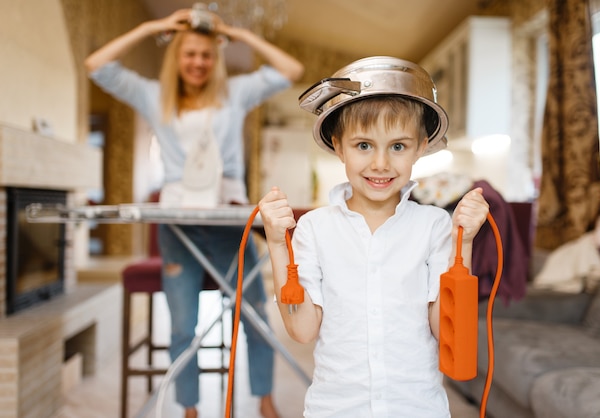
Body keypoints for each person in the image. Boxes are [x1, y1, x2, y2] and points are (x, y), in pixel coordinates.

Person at [85, 7, 304, 418]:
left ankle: (265, 400)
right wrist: (153, 27)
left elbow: (291, 68)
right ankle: (189, 408)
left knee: (254, 315)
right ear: (176, 56)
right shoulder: (154, 96)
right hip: (179, 225)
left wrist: (234, 33)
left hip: (228, 222)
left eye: (206, 54)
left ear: (215, 57)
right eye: (189, 54)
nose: (198, 62)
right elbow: (96, 66)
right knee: (183, 325)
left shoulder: (234, 94)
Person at [258, 56, 489, 417]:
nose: (381, 163)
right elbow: (302, 329)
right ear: (338, 146)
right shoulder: (315, 229)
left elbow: (445, 331)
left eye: (397, 146)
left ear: (421, 146)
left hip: (417, 409)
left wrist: (466, 242)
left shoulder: (434, 226)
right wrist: (276, 244)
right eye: (363, 145)